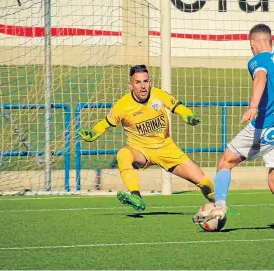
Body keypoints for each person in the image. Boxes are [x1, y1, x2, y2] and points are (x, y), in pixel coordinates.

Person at [193, 24, 274, 232]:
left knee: (226, 162)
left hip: (265, 125)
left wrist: (253, 106)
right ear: (271, 40)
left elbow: (261, 77)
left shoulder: (257, 60)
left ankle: (219, 206)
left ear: (252, 44)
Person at [78, 64, 214, 212]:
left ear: (150, 83)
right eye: (138, 82)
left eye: (146, 81)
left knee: (204, 182)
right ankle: (136, 197)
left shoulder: (159, 95)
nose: (143, 86)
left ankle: (219, 205)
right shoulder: (122, 106)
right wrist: (94, 133)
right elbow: (105, 123)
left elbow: (178, 107)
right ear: (131, 85)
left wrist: (188, 115)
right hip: (141, 151)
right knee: (123, 154)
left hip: (167, 149)